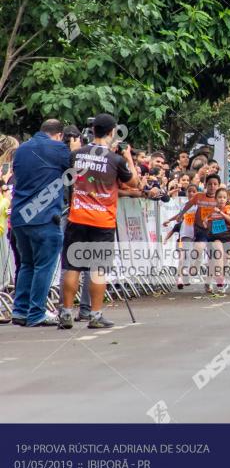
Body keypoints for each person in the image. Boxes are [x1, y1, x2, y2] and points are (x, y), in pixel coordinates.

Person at [59, 114, 139, 329]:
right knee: (97, 269)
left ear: (93, 130)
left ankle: (66, 313)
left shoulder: (77, 155)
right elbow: (133, 182)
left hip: (77, 217)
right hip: (102, 221)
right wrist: (128, 156)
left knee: (72, 266)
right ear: (112, 132)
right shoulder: (116, 160)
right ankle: (95, 315)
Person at [10, 120, 77, 327]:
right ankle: (36, 312)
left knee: (27, 264)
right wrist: (74, 151)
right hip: (44, 216)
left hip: (21, 216)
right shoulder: (58, 148)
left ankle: (20, 310)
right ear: (58, 135)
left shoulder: (21, 149)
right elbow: (75, 173)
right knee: (43, 266)